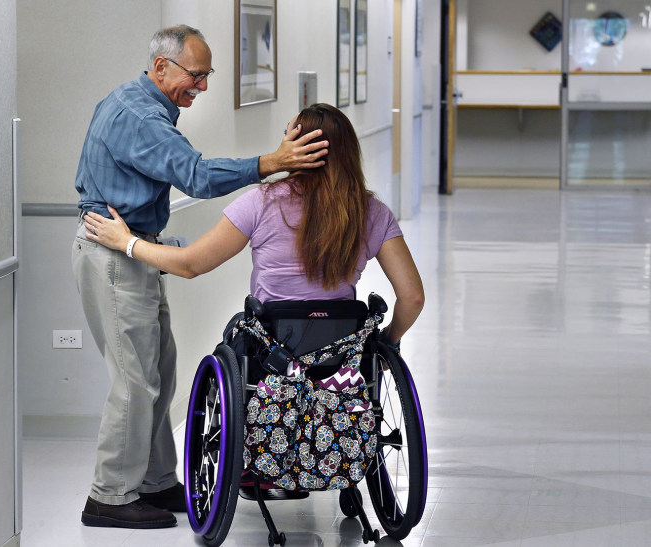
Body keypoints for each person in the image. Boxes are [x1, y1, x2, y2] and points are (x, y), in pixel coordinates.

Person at [72, 25, 328, 530]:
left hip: (137, 249)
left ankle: (157, 480)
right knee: (134, 381)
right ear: (161, 66)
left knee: (160, 372)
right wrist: (269, 164)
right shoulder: (139, 116)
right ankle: (110, 496)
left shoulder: (143, 103)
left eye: (208, 75)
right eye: (197, 75)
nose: (204, 87)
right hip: (115, 253)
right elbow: (195, 175)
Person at [84, 101, 425, 373]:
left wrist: (126, 242)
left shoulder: (261, 202)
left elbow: (190, 265)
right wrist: (389, 341)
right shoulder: (373, 213)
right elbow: (412, 298)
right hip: (341, 353)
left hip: (272, 352)